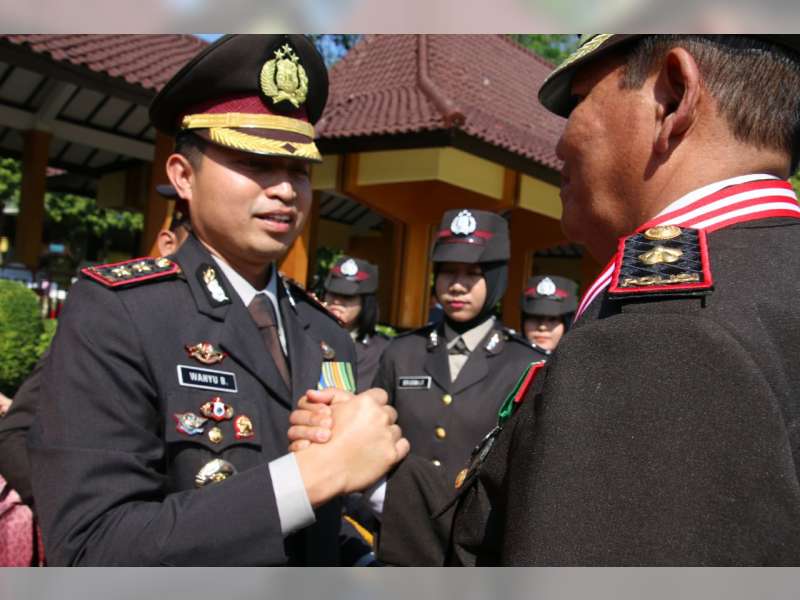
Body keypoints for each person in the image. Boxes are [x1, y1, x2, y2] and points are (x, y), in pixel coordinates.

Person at [290, 34, 800, 565]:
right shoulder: (768, 278)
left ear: (672, 97)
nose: (558, 143)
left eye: (577, 102)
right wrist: (379, 472)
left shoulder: (664, 337)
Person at [28, 34, 408, 566]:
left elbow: (323, 525)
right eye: (254, 162)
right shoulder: (122, 312)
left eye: (298, 169)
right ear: (183, 176)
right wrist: (315, 476)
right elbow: (94, 545)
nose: (283, 189)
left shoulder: (326, 335)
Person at [372, 209, 548, 487]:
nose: (456, 286)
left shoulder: (526, 364)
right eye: (448, 272)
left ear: (496, 279)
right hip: (401, 521)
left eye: (472, 274)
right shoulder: (402, 353)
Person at [322, 256, 389, 392]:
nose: (336, 301)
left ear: (365, 303)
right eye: (333, 294)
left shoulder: (383, 351)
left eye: (347, 297)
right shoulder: (306, 338)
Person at [520, 275, 578, 354]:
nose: (542, 327)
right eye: (534, 318)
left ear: (567, 324)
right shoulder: (506, 361)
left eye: (552, 319)